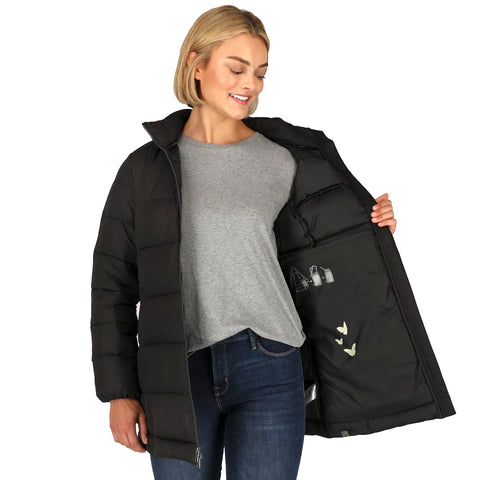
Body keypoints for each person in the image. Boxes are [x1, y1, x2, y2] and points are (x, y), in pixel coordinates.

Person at [91, 5, 454, 480]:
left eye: (260, 73)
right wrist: (119, 392)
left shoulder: (285, 158)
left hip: (271, 360)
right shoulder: (145, 169)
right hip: (176, 371)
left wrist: (373, 227)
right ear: (196, 65)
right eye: (237, 68)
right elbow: (112, 285)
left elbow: (327, 242)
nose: (251, 85)